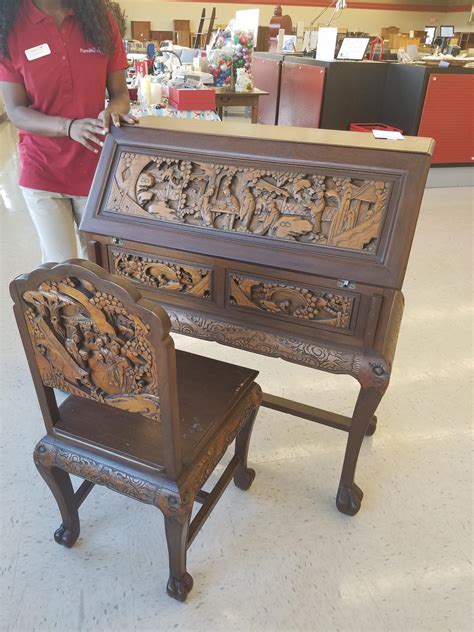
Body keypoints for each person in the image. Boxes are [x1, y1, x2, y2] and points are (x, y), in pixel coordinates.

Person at [0, 0, 136, 263]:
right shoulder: (9, 27)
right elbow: (16, 111)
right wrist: (68, 126)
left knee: (100, 267)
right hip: (42, 170)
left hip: (95, 168)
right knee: (61, 268)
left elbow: (120, 95)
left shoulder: (100, 20)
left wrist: (112, 111)